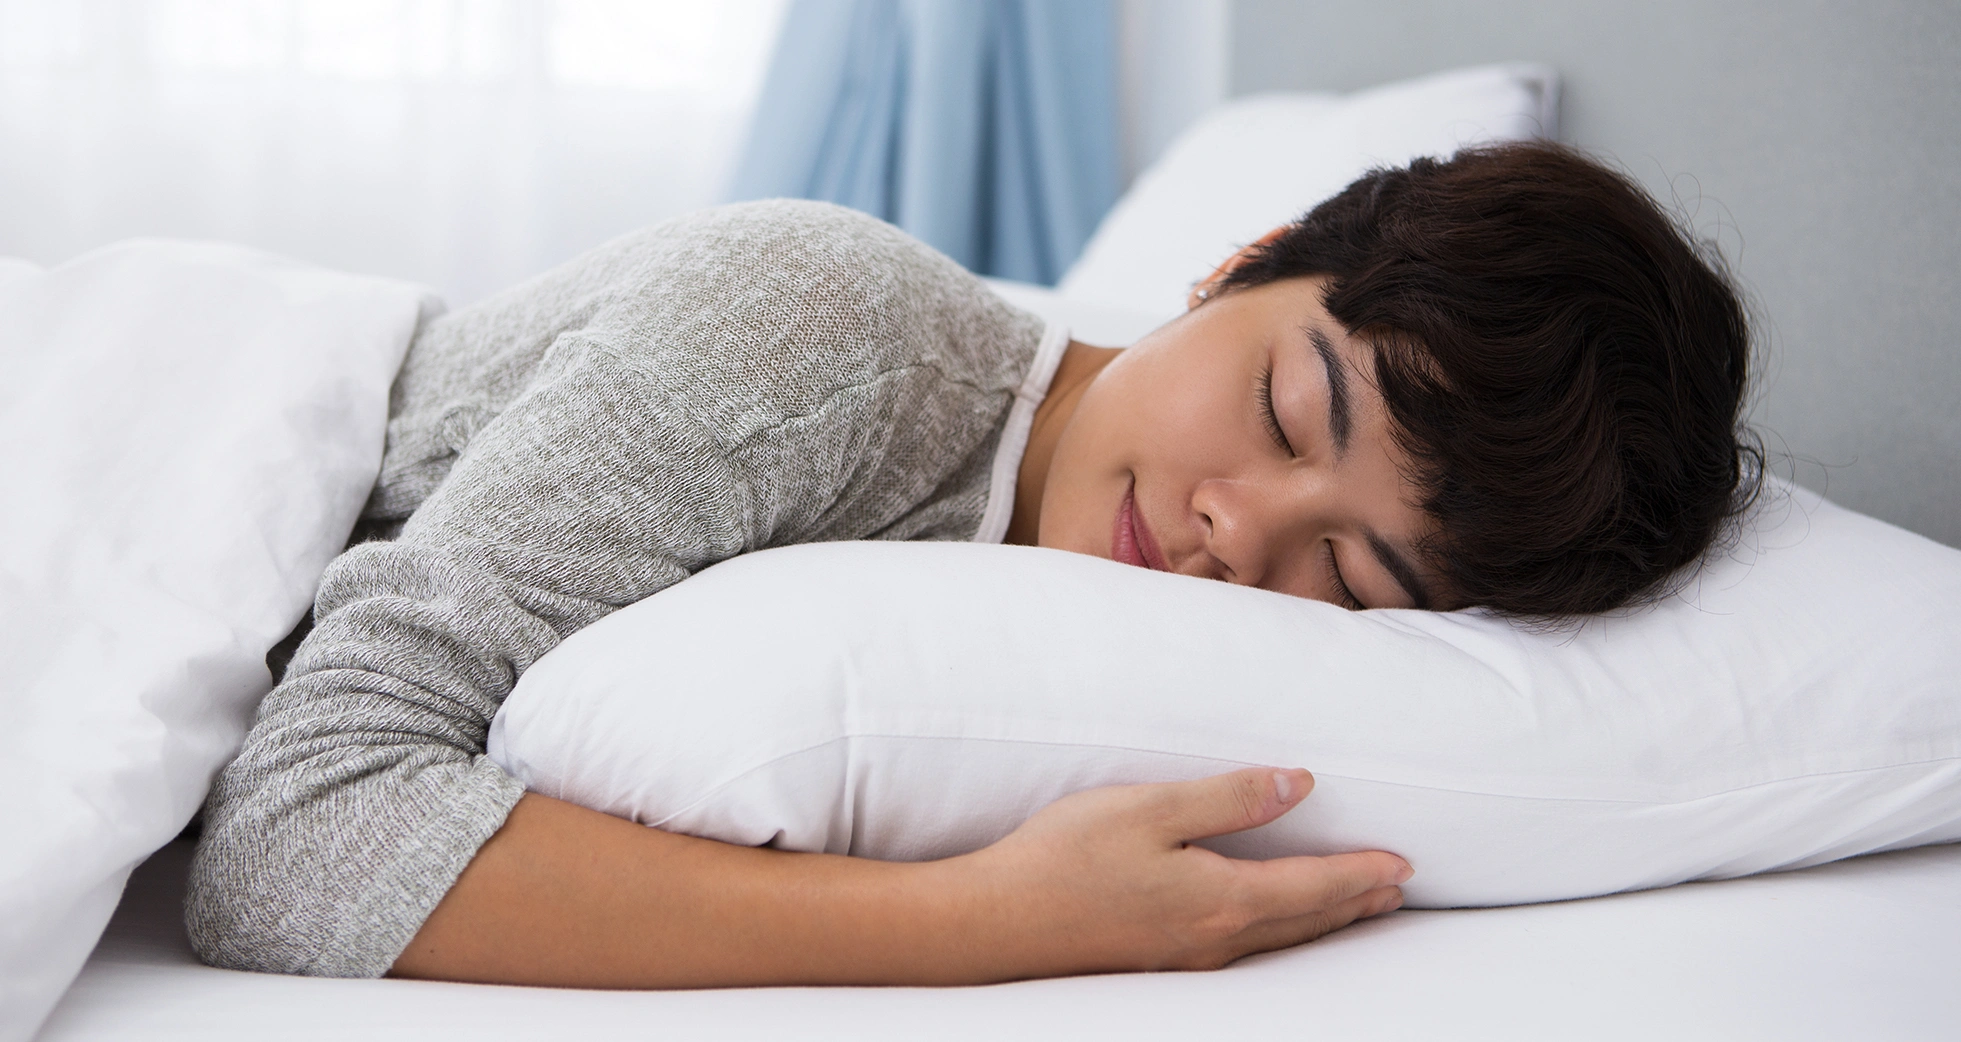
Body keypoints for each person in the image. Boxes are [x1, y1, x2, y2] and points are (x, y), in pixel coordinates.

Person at [187, 141, 1756, 986]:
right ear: (1238, 265)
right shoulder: (816, 330)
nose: (1236, 533)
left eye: (1349, 578)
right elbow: (290, 836)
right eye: (1287, 404)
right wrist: (990, 920)